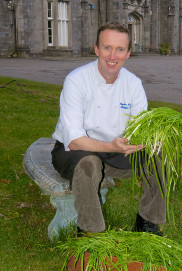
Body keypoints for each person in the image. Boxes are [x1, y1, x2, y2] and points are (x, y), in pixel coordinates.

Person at [51, 22, 166, 236]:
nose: (112, 56)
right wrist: (111, 146)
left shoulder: (133, 84)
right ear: (96, 49)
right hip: (74, 152)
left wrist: (147, 139)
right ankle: (90, 233)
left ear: (128, 53)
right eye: (107, 48)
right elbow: (74, 139)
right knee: (89, 163)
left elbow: (138, 129)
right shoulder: (76, 80)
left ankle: (148, 222)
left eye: (120, 49)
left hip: (116, 150)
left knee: (159, 154)